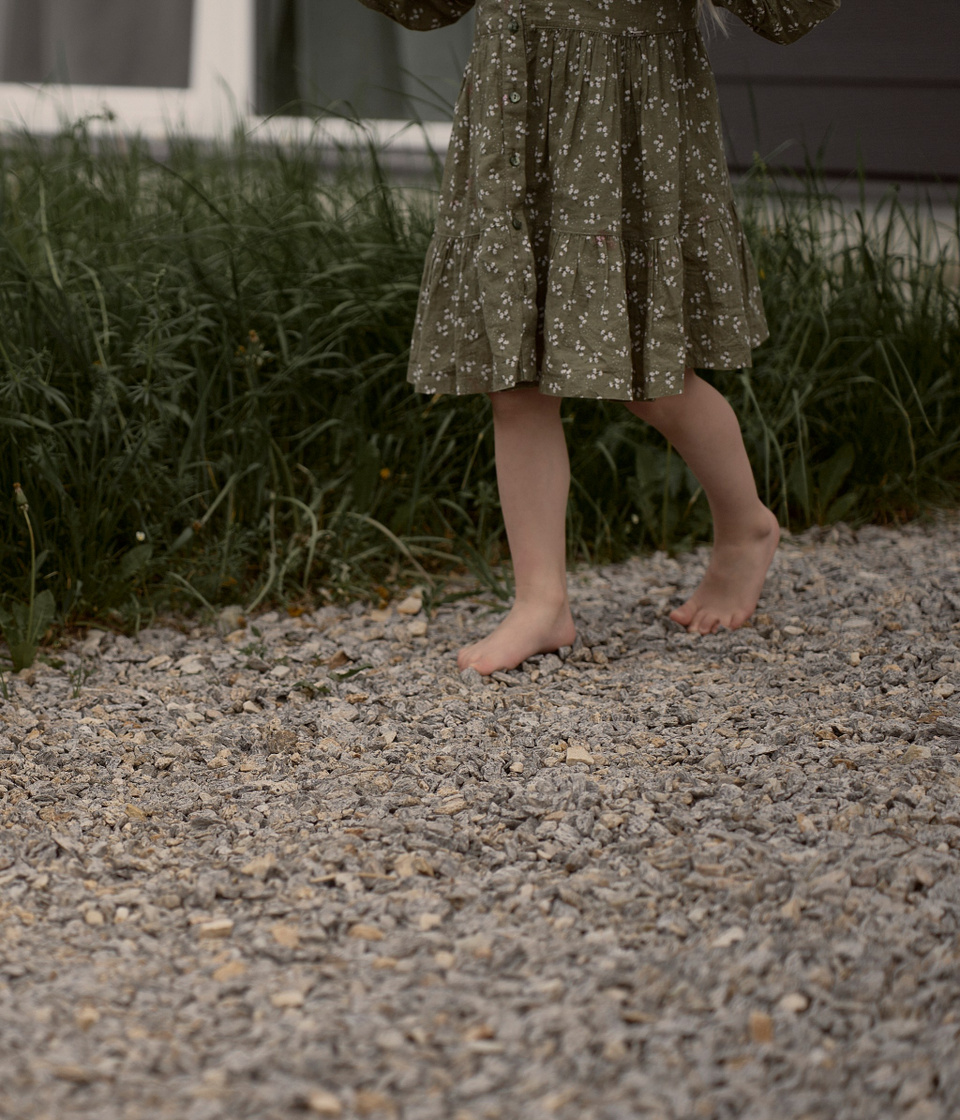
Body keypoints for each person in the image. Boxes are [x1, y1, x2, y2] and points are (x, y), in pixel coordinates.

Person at [355, 0, 839, 674]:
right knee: (514, 378)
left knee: (650, 378)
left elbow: (785, 12)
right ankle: (541, 602)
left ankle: (745, 527)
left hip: (625, 132)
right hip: (514, 125)